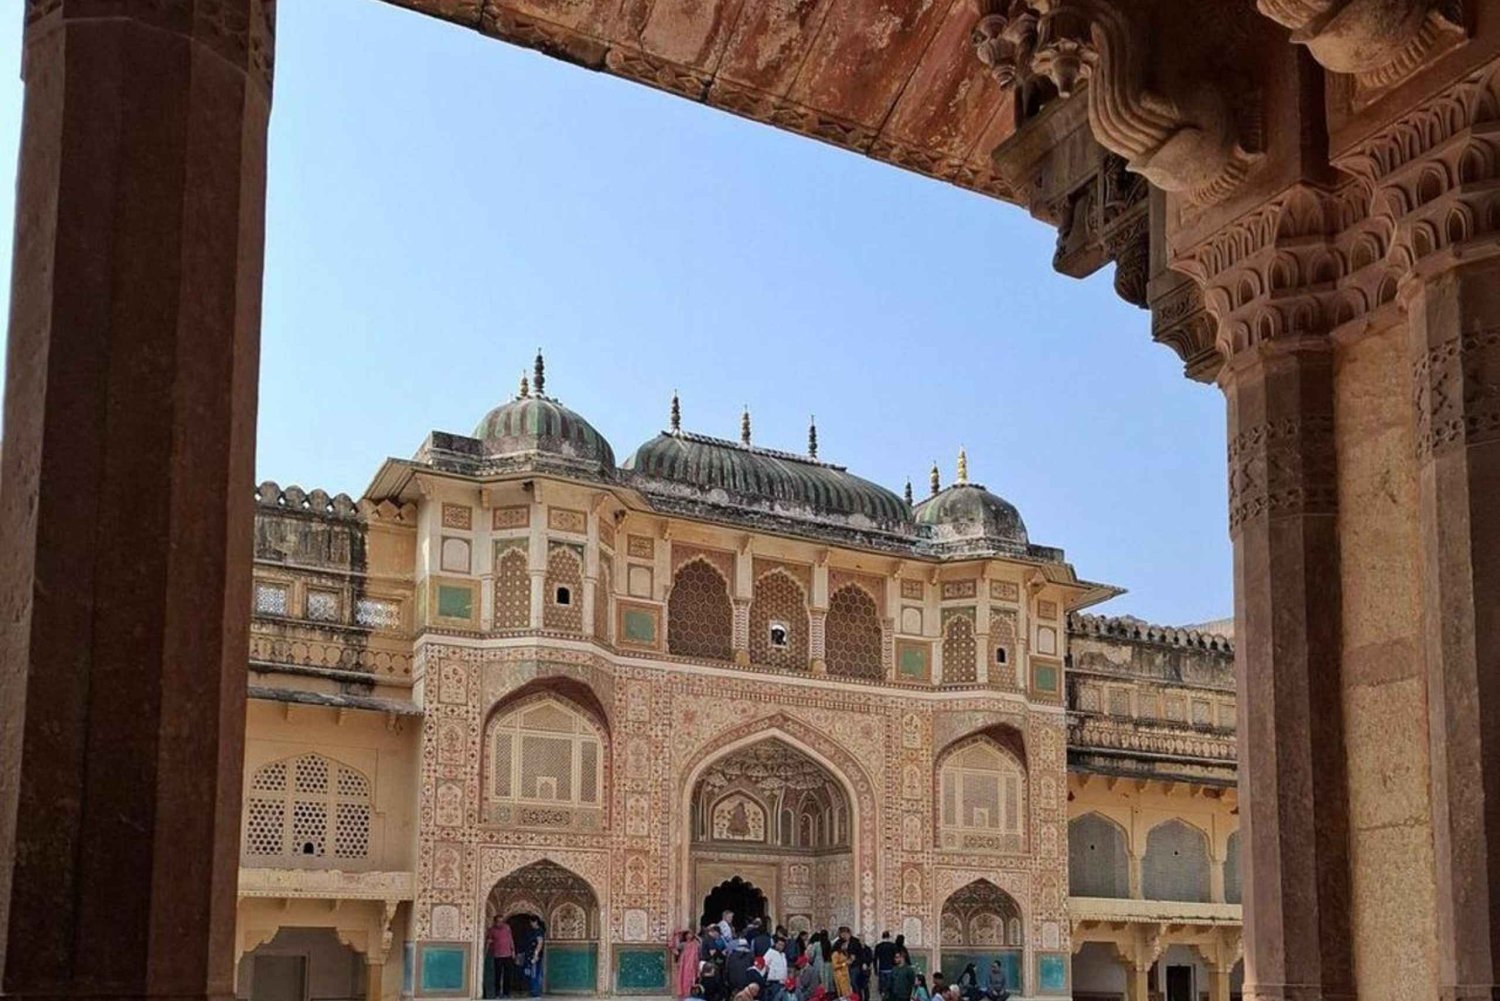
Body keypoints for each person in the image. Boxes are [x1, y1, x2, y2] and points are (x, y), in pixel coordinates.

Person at [487, 915, 516, 999]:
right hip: (497, 955)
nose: (501, 923)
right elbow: (489, 941)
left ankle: (507, 993)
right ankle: (497, 993)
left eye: (502, 921)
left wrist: (513, 950)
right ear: (495, 922)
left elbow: (510, 939)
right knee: (497, 975)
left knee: (508, 975)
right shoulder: (492, 930)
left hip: (508, 955)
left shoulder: (507, 928)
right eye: (499, 921)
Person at [521, 917, 545, 998]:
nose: (531, 924)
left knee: (535, 973)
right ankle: (532, 990)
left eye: (531, 922)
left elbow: (539, 943)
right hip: (529, 955)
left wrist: (536, 955)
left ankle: (536, 992)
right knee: (530, 972)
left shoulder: (539, 931)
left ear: (535, 922)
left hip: (534, 956)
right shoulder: (532, 931)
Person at [676, 930, 703, 1000]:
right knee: (683, 979)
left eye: (691, 934)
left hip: (693, 964)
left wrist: (697, 937)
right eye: (687, 934)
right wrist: (677, 936)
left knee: (692, 979)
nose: (689, 936)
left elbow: (701, 945)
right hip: (684, 965)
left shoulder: (696, 943)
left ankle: (690, 994)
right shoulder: (683, 944)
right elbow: (677, 947)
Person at [763, 936, 789, 1001]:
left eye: (782, 945)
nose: (781, 946)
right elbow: (764, 964)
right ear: (776, 944)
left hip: (783, 983)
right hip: (774, 983)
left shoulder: (783, 955)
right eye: (779, 944)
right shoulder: (770, 952)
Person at [873, 934, 895, 1000]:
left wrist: (875, 969)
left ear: (882, 937)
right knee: (890, 987)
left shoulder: (878, 946)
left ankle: (883, 997)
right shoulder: (893, 946)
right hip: (891, 969)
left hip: (882, 969)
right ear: (889, 937)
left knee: (882, 988)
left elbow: (875, 959)